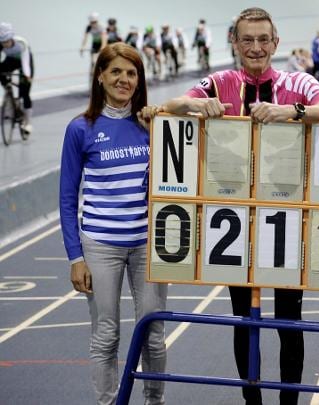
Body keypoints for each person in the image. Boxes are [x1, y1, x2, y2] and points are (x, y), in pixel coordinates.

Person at [141, 7, 319, 405]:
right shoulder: (220, 82)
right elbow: (173, 104)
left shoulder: (297, 82)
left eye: (263, 39)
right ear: (234, 42)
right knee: (244, 320)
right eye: (246, 40)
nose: (255, 48)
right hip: (234, 223)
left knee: (289, 323)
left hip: (287, 220)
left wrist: (290, 112)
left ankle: (289, 402)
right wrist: (199, 106)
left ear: (276, 43)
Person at [59, 42, 167, 405]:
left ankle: (155, 400)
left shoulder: (152, 125)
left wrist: (157, 131)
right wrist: (76, 256)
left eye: (132, 73)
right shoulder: (81, 128)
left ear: (140, 80)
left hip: (147, 245)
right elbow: (67, 197)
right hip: (100, 247)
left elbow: (171, 183)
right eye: (116, 71)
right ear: (101, 76)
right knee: (106, 335)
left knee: (152, 333)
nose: (124, 79)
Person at [0, 22, 34, 134]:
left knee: (25, 92)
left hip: (24, 61)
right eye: (2, 42)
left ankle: (28, 123)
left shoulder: (21, 43)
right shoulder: (1, 44)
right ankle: (8, 93)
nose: (5, 44)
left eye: (7, 41)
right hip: (11, 60)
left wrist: (27, 76)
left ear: (11, 38)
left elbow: (25, 63)